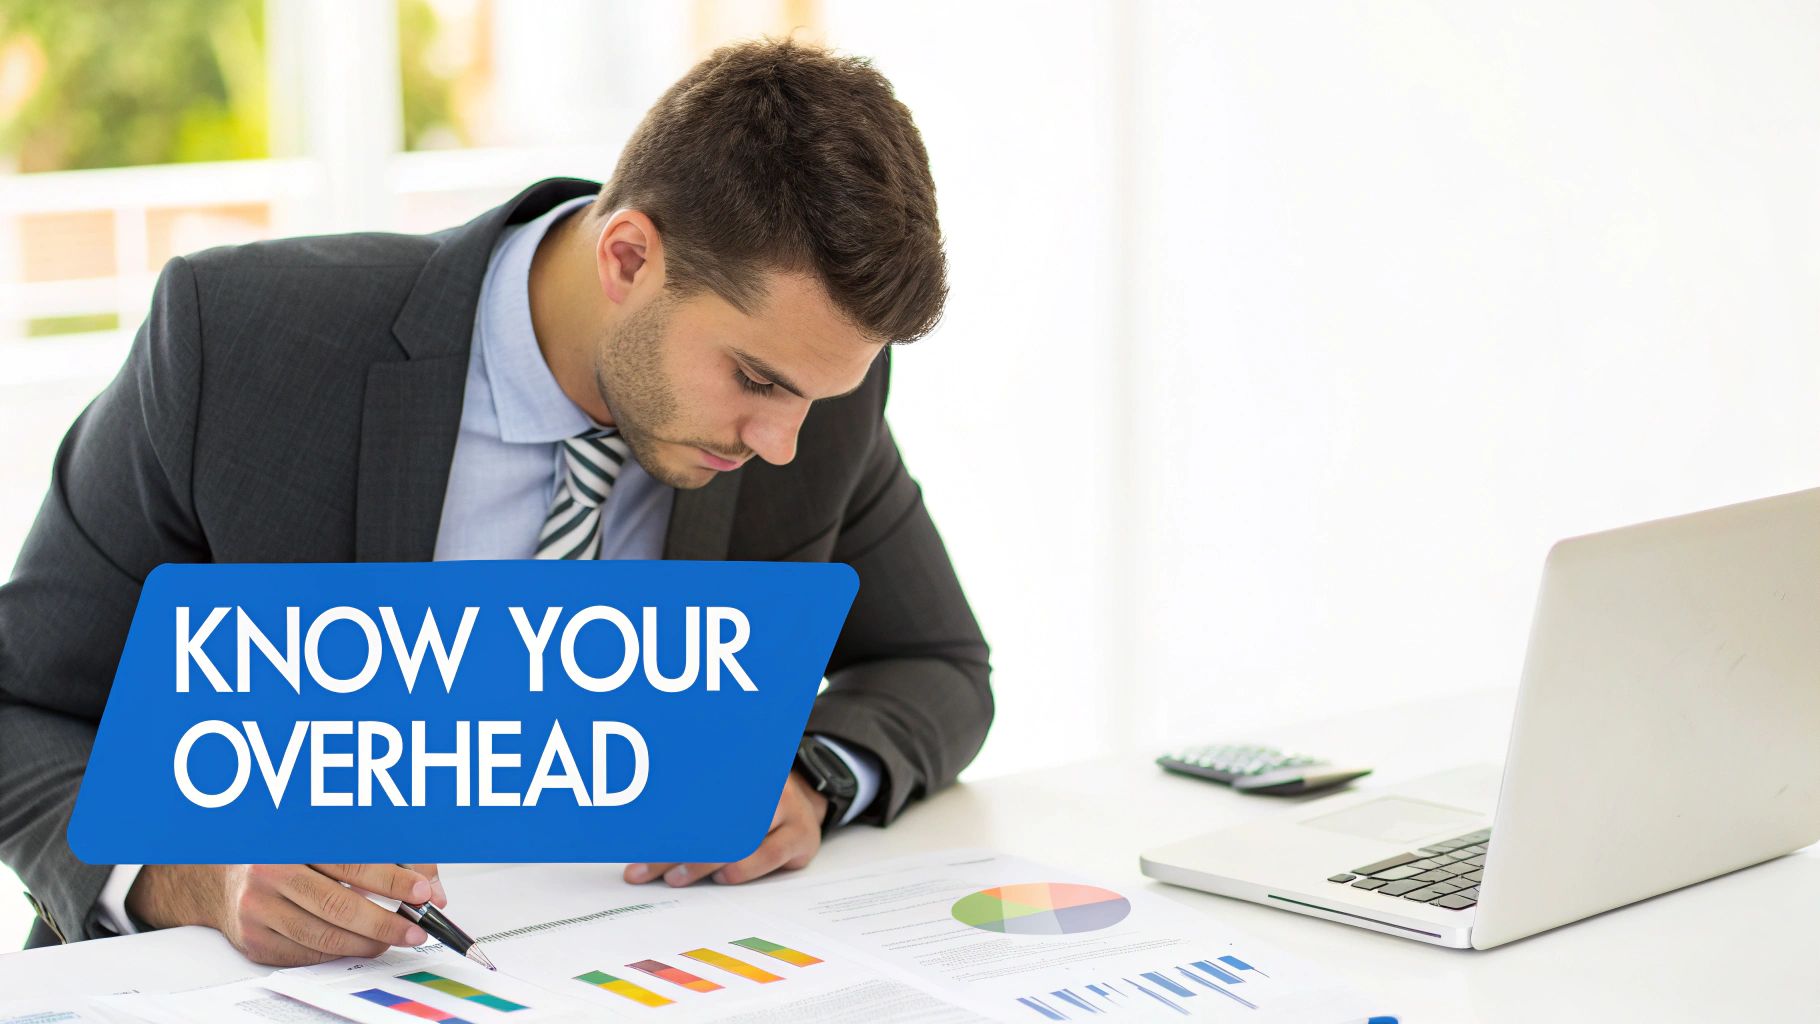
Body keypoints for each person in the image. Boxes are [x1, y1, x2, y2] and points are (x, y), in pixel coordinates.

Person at [0, 39, 991, 965]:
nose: (781, 442)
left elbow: (937, 663)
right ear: (628, 258)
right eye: (755, 380)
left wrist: (812, 776)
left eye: (815, 396)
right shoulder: (241, 342)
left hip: (630, 963)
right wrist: (195, 877)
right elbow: (23, 701)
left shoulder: (810, 400)